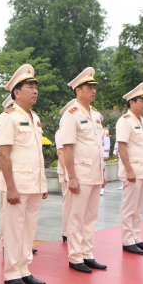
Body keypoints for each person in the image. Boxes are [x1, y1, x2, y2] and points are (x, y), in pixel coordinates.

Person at [0, 64, 47, 284]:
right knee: (13, 230)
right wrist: (10, 187)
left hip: (33, 183)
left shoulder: (34, 117)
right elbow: (2, 154)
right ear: (16, 92)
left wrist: (42, 183)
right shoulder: (8, 117)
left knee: (28, 229)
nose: (34, 91)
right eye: (29, 86)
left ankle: (24, 269)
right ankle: (11, 273)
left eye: (35, 87)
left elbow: (37, 153)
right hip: (17, 183)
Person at [58, 67, 107, 273]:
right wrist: (72, 176)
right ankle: (75, 257)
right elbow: (66, 147)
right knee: (76, 217)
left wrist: (102, 172)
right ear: (78, 90)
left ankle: (87, 253)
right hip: (80, 173)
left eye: (94, 87)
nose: (93, 91)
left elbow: (97, 146)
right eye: (88, 87)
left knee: (90, 216)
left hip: (94, 173)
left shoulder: (95, 114)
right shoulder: (71, 114)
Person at [116, 83, 143, 255]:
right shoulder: (125, 121)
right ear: (132, 102)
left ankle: (136, 237)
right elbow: (122, 147)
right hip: (133, 172)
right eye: (142, 100)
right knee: (130, 207)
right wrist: (129, 170)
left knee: (139, 208)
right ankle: (127, 240)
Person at [55, 99, 77, 242]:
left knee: (74, 204)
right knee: (69, 202)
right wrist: (69, 174)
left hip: (75, 170)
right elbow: (61, 153)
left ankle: (72, 231)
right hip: (66, 171)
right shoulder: (61, 132)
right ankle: (66, 231)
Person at [99, 113, 110, 196]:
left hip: (102, 152)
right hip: (94, 153)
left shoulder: (104, 130)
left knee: (102, 169)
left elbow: (107, 143)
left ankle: (102, 188)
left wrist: (106, 154)